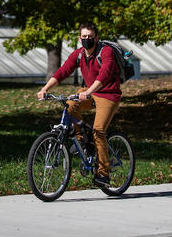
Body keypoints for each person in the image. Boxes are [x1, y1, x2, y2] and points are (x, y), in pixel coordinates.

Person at [36, 22, 121, 187]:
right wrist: (45, 88)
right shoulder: (79, 54)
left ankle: (103, 174)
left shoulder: (106, 52)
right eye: (84, 37)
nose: (87, 39)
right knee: (70, 104)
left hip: (109, 94)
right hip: (90, 92)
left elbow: (104, 75)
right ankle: (82, 143)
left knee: (99, 131)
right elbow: (63, 71)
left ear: (96, 37)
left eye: (90, 37)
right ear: (79, 38)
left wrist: (88, 92)